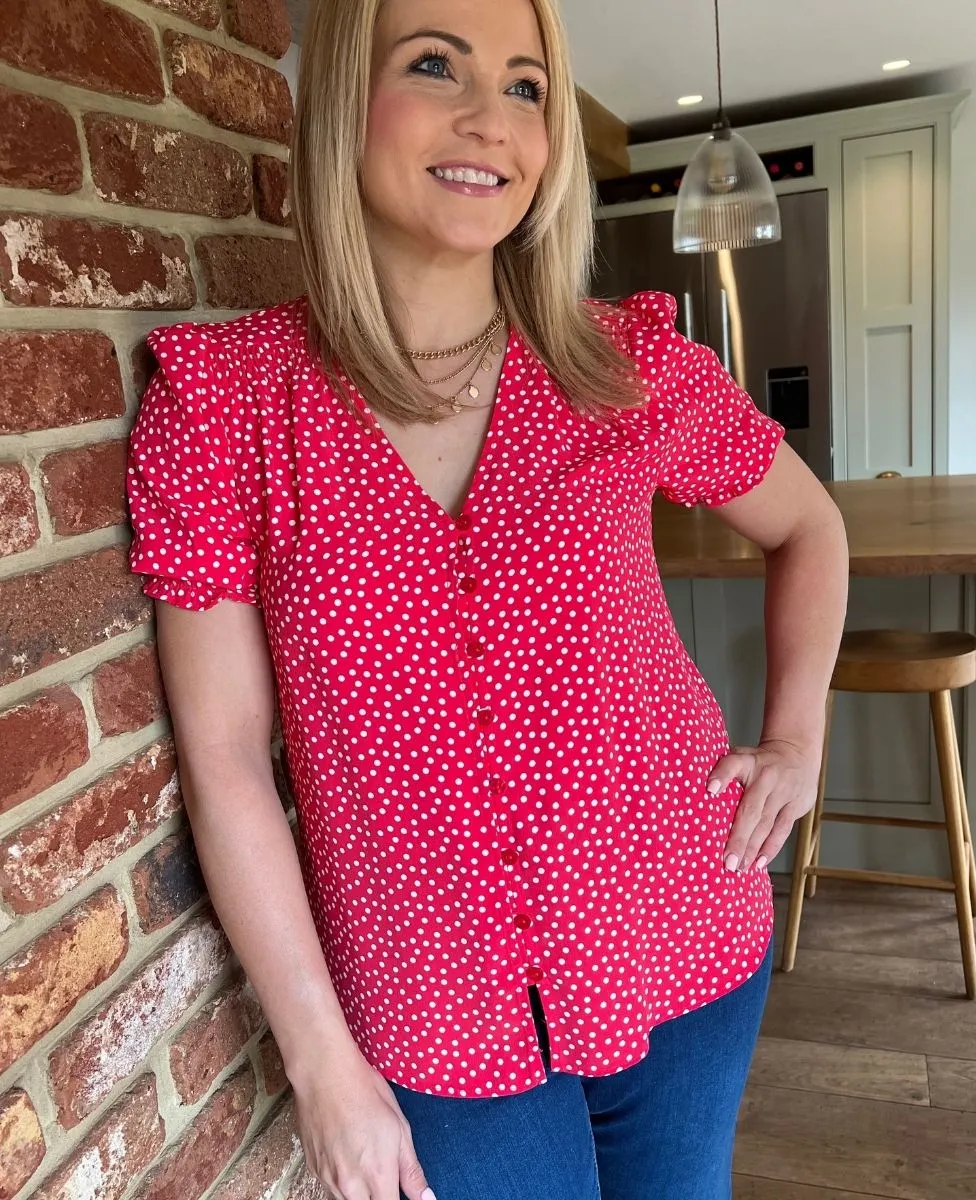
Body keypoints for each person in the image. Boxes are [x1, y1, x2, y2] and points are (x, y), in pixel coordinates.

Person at [124, 0, 850, 1196]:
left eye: (524, 88)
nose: (489, 119)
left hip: (680, 931)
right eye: (434, 66)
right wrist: (321, 1067)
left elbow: (808, 525)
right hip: (428, 1008)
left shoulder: (622, 364)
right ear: (346, 102)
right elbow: (226, 763)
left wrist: (796, 737)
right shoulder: (228, 406)